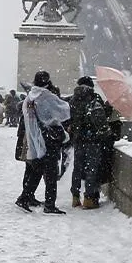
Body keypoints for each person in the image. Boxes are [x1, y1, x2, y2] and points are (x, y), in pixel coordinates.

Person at [15, 70, 71, 214]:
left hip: (35, 139)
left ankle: (25, 197)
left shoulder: (29, 98)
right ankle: (50, 205)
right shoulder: (45, 96)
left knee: (36, 169)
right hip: (48, 139)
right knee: (51, 174)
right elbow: (63, 111)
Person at [68, 76, 113, 209]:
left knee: (77, 169)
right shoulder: (94, 97)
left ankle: (75, 197)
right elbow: (102, 117)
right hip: (93, 140)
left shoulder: (73, 99)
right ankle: (89, 198)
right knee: (91, 169)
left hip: (78, 139)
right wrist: (108, 107)